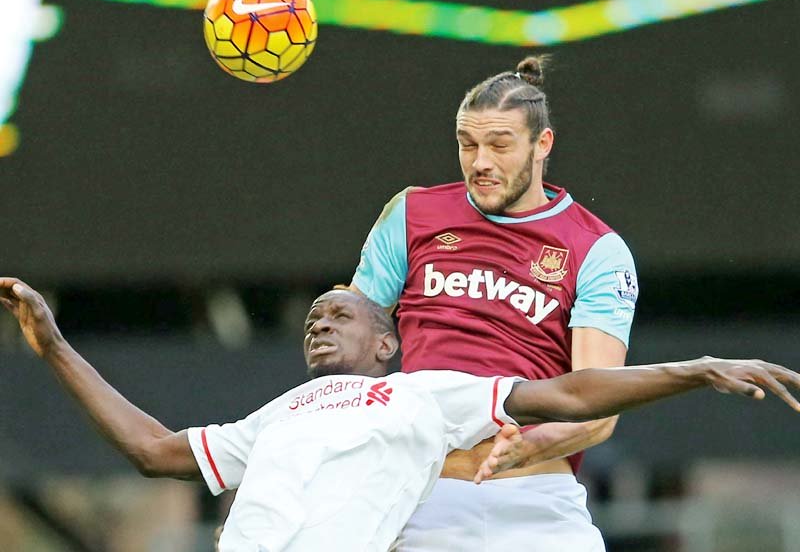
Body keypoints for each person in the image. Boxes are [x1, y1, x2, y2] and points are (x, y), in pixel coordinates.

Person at [1, 278, 799, 551]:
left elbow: (572, 392)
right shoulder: (275, 414)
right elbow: (152, 449)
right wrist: (53, 343)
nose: (320, 320)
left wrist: (694, 370)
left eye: (340, 313)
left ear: (387, 344)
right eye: (314, 315)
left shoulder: (426, 393)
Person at [350, 56, 639, 550]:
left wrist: (527, 445)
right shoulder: (412, 214)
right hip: (423, 500)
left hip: (540, 505)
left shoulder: (597, 248)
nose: (480, 161)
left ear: (542, 144)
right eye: (468, 144)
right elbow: (347, 367)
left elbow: (599, 409)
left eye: (500, 145)